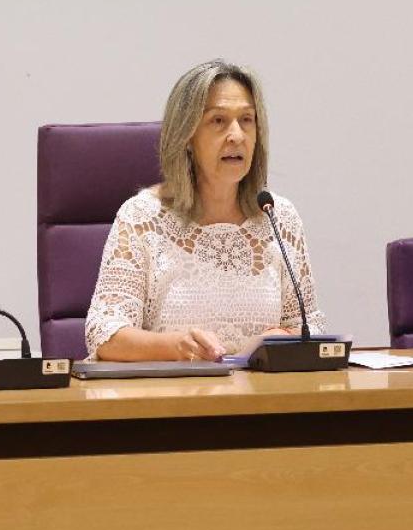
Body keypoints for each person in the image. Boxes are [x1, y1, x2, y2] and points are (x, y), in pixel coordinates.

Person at [85, 60, 326, 361]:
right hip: (170, 401)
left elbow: (309, 325)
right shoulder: (142, 218)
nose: (237, 135)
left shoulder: (278, 217)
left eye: (247, 120)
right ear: (187, 137)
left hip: (261, 400)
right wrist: (174, 347)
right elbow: (104, 334)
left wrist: (285, 339)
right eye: (218, 121)